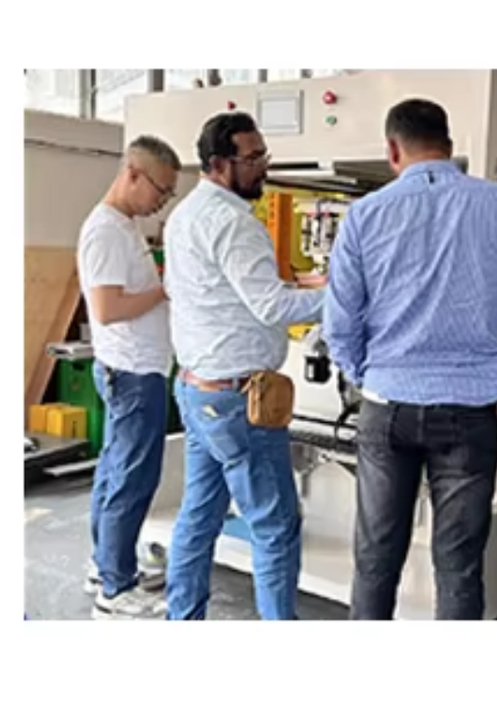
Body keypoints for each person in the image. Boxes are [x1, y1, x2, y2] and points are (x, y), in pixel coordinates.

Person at [323, 98, 497, 620]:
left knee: (376, 559)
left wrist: (368, 376)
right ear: (450, 147)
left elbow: (340, 322)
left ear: (392, 150)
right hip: (471, 411)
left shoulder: (364, 215)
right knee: (459, 565)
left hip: (387, 406)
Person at [162, 111, 325, 620]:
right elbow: (272, 307)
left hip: (198, 390)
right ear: (218, 163)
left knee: (200, 515)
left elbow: (231, 295)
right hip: (239, 400)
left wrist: (300, 286)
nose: (263, 167)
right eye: (252, 158)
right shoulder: (235, 223)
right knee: (275, 525)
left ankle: (182, 618)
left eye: (263, 155)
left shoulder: (184, 215)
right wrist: (344, 296)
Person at [77, 135, 182, 619]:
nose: (163, 200)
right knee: (132, 480)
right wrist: (165, 290)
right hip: (133, 372)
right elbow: (107, 308)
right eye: (161, 189)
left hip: (135, 369)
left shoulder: (123, 226)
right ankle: (116, 590)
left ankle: (105, 566)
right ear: (133, 174)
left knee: (115, 471)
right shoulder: (105, 232)